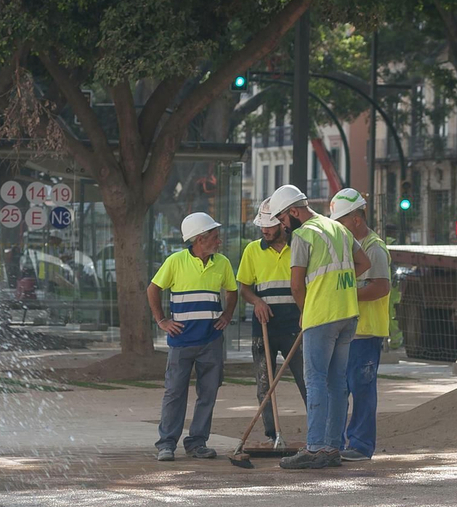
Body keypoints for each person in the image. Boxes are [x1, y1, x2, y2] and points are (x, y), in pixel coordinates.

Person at [264, 185, 371, 470]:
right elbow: (363, 262)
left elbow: (296, 285)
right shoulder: (339, 229)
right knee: (337, 383)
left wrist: (304, 311)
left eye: (283, 219)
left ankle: (313, 449)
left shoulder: (302, 235)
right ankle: (332, 448)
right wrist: (338, 287)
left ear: (294, 212)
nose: (284, 226)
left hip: (321, 317)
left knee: (315, 382)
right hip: (348, 314)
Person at [148, 212, 236, 461]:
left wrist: (227, 315)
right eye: (215, 237)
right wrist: (162, 321)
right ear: (200, 239)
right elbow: (152, 289)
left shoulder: (222, 263)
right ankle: (166, 443)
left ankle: (197, 442)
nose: (219, 241)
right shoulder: (175, 261)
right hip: (181, 341)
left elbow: (232, 291)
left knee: (208, 392)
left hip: (211, 340)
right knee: (174, 392)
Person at [327, 188, 393, 461]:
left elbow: (381, 287)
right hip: (348, 331)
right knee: (341, 390)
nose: (339, 226)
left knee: (362, 391)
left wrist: (345, 294)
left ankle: (361, 445)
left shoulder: (373, 248)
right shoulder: (347, 247)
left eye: (341, 220)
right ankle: (340, 443)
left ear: (356, 218)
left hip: (366, 333)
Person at [236, 199, 306, 450]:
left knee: (307, 380)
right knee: (264, 383)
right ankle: (271, 433)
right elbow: (244, 287)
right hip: (264, 326)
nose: (264, 230)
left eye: (269, 225)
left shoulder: (299, 245)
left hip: (295, 326)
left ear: (282, 223)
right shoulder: (252, 250)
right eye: (262, 226)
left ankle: (319, 432)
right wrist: (256, 301)